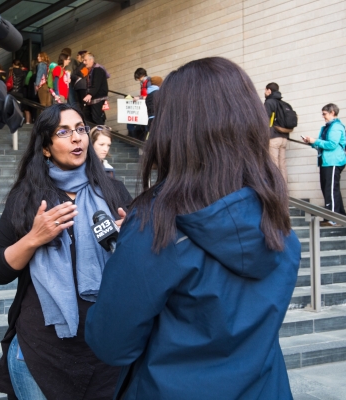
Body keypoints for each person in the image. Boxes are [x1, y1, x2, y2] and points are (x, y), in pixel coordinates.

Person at [84, 57, 301, 400]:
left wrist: (130, 254)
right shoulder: (279, 223)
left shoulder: (156, 228)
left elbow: (111, 342)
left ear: (175, 130)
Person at [0, 103, 132, 400]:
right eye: (63, 132)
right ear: (47, 148)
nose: (76, 138)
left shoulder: (114, 192)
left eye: (80, 129)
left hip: (104, 351)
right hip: (39, 354)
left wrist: (134, 238)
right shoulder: (26, 199)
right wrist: (33, 238)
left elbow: (141, 268)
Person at [302, 103, 346, 226]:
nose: (323, 116)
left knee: (330, 190)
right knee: (330, 189)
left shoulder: (336, 126)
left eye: (325, 114)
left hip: (333, 161)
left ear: (332, 112)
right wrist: (311, 142)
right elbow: (322, 144)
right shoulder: (327, 127)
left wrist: (315, 141)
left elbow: (332, 144)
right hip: (326, 161)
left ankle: (333, 218)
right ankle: (341, 217)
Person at [264, 82, 289, 183]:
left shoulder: (269, 102)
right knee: (282, 164)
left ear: (269, 90)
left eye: (265, 90)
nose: (265, 92)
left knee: (273, 164)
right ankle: (284, 190)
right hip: (283, 138)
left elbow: (264, 119)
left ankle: (276, 191)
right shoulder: (283, 103)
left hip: (273, 138)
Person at [83, 53, 108, 125]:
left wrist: (90, 94)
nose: (84, 62)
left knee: (96, 117)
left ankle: (102, 133)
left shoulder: (98, 70)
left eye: (85, 60)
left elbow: (96, 84)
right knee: (87, 116)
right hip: (93, 97)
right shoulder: (91, 70)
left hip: (97, 97)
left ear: (91, 60)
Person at [8, 59, 30, 124]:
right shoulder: (23, 72)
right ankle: (19, 121)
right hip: (20, 92)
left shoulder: (11, 71)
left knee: (12, 107)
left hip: (12, 92)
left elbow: (9, 80)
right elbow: (23, 83)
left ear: (13, 64)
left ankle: (12, 121)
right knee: (19, 108)